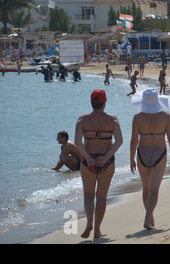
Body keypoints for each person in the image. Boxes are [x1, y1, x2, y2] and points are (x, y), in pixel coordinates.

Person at [74, 90, 123, 238]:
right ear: (105, 102)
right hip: (106, 162)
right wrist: (107, 156)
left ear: (91, 102)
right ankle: (97, 230)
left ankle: (89, 222)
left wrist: (88, 158)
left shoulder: (82, 120)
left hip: (87, 162)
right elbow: (119, 141)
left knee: (88, 196)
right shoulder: (112, 120)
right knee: (101, 197)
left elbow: (77, 142)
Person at [130, 88, 170, 230]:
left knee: (146, 189)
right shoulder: (166, 116)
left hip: (142, 153)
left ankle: (150, 219)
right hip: (159, 153)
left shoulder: (137, 118)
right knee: (154, 189)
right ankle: (147, 219)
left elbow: (133, 140)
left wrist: (131, 158)